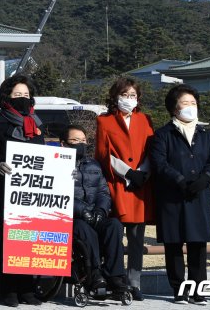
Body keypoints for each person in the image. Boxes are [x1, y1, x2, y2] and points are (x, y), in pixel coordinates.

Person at [150, 84, 210, 305]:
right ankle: (179, 289)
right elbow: (159, 163)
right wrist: (179, 180)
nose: (191, 107)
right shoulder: (162, 134)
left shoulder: (205, 134)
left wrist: (206, 177)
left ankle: (198, 289)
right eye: (185, 103)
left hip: (198, 195)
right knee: (174, 244)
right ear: (174, 108)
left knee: (197, 244)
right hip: (172, 196)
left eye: (193, 103)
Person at [94, 77, 155, 301]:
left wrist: (143, 173)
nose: (129, 99)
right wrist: (127, 172)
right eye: (125, 95)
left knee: (137, 239)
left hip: (141, 187)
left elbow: (152, 150)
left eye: (133, 96)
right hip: (117, 185)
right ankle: (115, 279)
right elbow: (102, 154)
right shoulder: (104, 121)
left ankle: (134, 283)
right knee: (115, 235)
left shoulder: (145, 119)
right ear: (115, 97)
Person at [0, 74, 44, 307]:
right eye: (17, 95)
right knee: (7, 239)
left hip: (33, 194)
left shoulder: (38, 124)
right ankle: (9, 289)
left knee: (30, 238)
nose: (23, 98)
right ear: (7, 97)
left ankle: (28, 288)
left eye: (26, 95)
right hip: (6, 192)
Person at [60, 125, 129, 293]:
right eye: (75, 140)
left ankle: (115, 275)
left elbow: (103, 192)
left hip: (94, 214)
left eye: (83, 141)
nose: (80, 144)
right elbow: (58, 194)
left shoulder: (94, 165)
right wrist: (83, 211)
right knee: (84, 229)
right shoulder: (56, 165)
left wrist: (100, 211)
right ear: (64, 144)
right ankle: (94, 273)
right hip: (69, 218)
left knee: (114, 225)